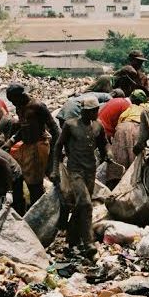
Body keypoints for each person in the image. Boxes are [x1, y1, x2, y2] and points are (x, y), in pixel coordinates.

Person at [53, 96, 105, 258]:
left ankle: (71, 239)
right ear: (85, 112)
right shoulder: (71, 125)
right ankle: (88, 242)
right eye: (93, 111)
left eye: (97, 110)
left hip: (90, 170)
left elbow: (104, 145)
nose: (96, 113)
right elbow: (58, 146)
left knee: (80, 206)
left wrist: (107, 155)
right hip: (75, 170)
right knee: (86, 204)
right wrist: (55, 168)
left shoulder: (98, 126)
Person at [4, 84, 60, 210]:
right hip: (27, 146)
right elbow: (24, 127)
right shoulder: (19, 107)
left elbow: (55, 128)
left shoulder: (37, 106)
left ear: (21, 95)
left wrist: (55, 154)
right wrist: (11, 141)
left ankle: (39, 209)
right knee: (21, 176)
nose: (13, 103)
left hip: (38, 145)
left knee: (35, 183)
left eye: (14, 100)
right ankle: (33, 205)